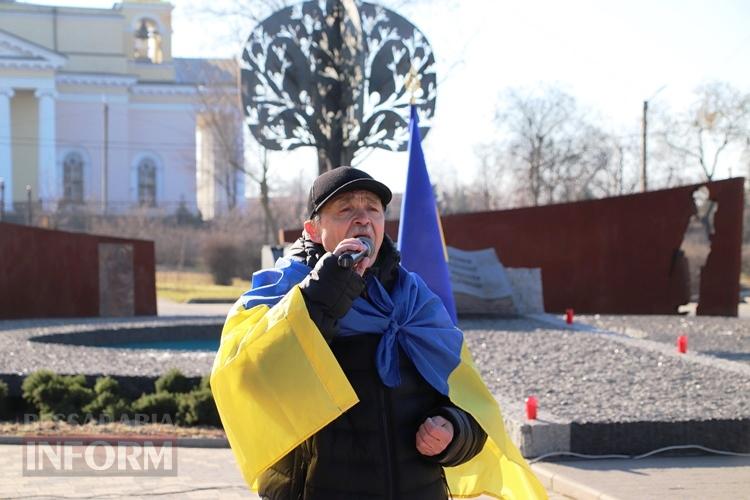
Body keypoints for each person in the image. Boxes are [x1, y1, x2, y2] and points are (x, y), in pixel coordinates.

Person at [210, 167, 546, 500]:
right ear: (313, 229)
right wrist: (326, 289)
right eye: (345, 209)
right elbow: (246, 376)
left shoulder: (416, 299)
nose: (362, 218)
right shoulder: (281, 292)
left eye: (372, 208)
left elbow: (469, 401)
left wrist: (453, 430)